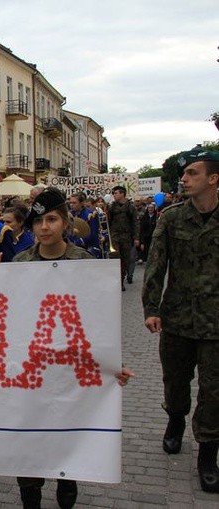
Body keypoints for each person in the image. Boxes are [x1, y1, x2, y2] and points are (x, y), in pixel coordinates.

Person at [0, 188, 134, 509]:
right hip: (31, 371)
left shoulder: (85, 263)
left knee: (68, 441)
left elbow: (99, 322)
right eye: (38, 221)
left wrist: (112, 365)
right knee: (29, 442)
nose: (44, 228)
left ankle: (66, 492)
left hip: (71, 371)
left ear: (65, 223)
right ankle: (31, 497)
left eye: (52, 220)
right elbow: (8, 318)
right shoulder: (19, 263)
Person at [142, 148, 219, 493]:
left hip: (216, 322)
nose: (184, 180)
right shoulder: (170, 218)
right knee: (175, 381)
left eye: (192, 174)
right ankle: (175, 421)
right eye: (184, 175)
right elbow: (156, 266)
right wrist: (151, 308)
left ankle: (207, 453)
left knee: (215, 391)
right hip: (176, 318)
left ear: (213, 179)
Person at [107, 185, 138, 290]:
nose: (114, 195)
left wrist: (136, 237)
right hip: (115, 235)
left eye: (116, 193)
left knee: (125, 259)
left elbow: (135, 222)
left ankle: (122, 278)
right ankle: (117, 281)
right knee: (115, 257)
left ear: (122, 194)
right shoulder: (112, 206)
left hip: (126, 236)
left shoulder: (130, 206)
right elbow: (108, 221)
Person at [68, 192, 101, 257]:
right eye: (70, 203)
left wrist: (79, 241)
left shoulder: (90, 214)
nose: (71, 205)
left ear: (81, 203)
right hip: (72, 246)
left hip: (88, 246)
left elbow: (93, 233)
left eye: (74, 203)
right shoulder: (69, 214)